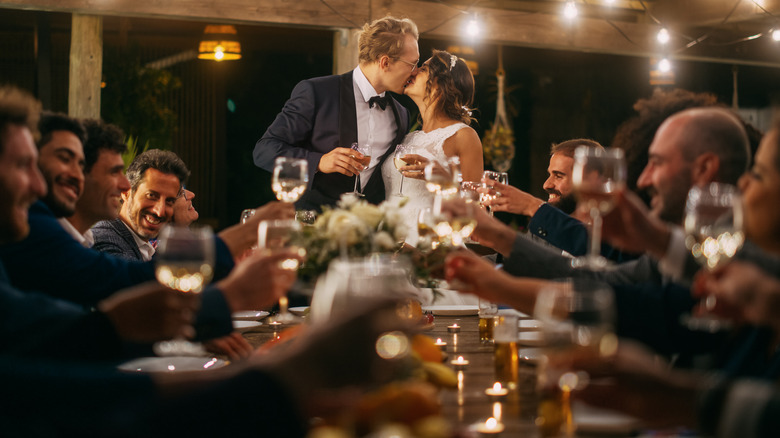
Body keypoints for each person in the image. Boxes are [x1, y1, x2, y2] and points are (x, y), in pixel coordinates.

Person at [254, 16, 418, 210]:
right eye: (412, 64)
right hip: (314, 223)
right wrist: (319, 162)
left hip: (368, 227)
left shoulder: (401, 114)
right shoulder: (317, 92)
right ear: (385, 62)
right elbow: (265, 150)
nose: (415, 72)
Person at [380, 49, 483, 246]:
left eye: (423, 69)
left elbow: (475, 207)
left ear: (441, 83)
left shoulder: (463, 136)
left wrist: (445, 180)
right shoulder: (408, 137)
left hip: (430, 243)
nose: (413, 71)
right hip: (390, 242)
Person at [92, 149, 190, 261]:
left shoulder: (143, 246)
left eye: (169, 201)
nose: (160, 211)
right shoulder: (105, 243)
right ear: (126, 192)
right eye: (151, 195)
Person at [61, 118, 129, 247]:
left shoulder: (85, 241)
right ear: (79, 174)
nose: (126, 185)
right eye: (114, 172)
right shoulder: (46, 244)